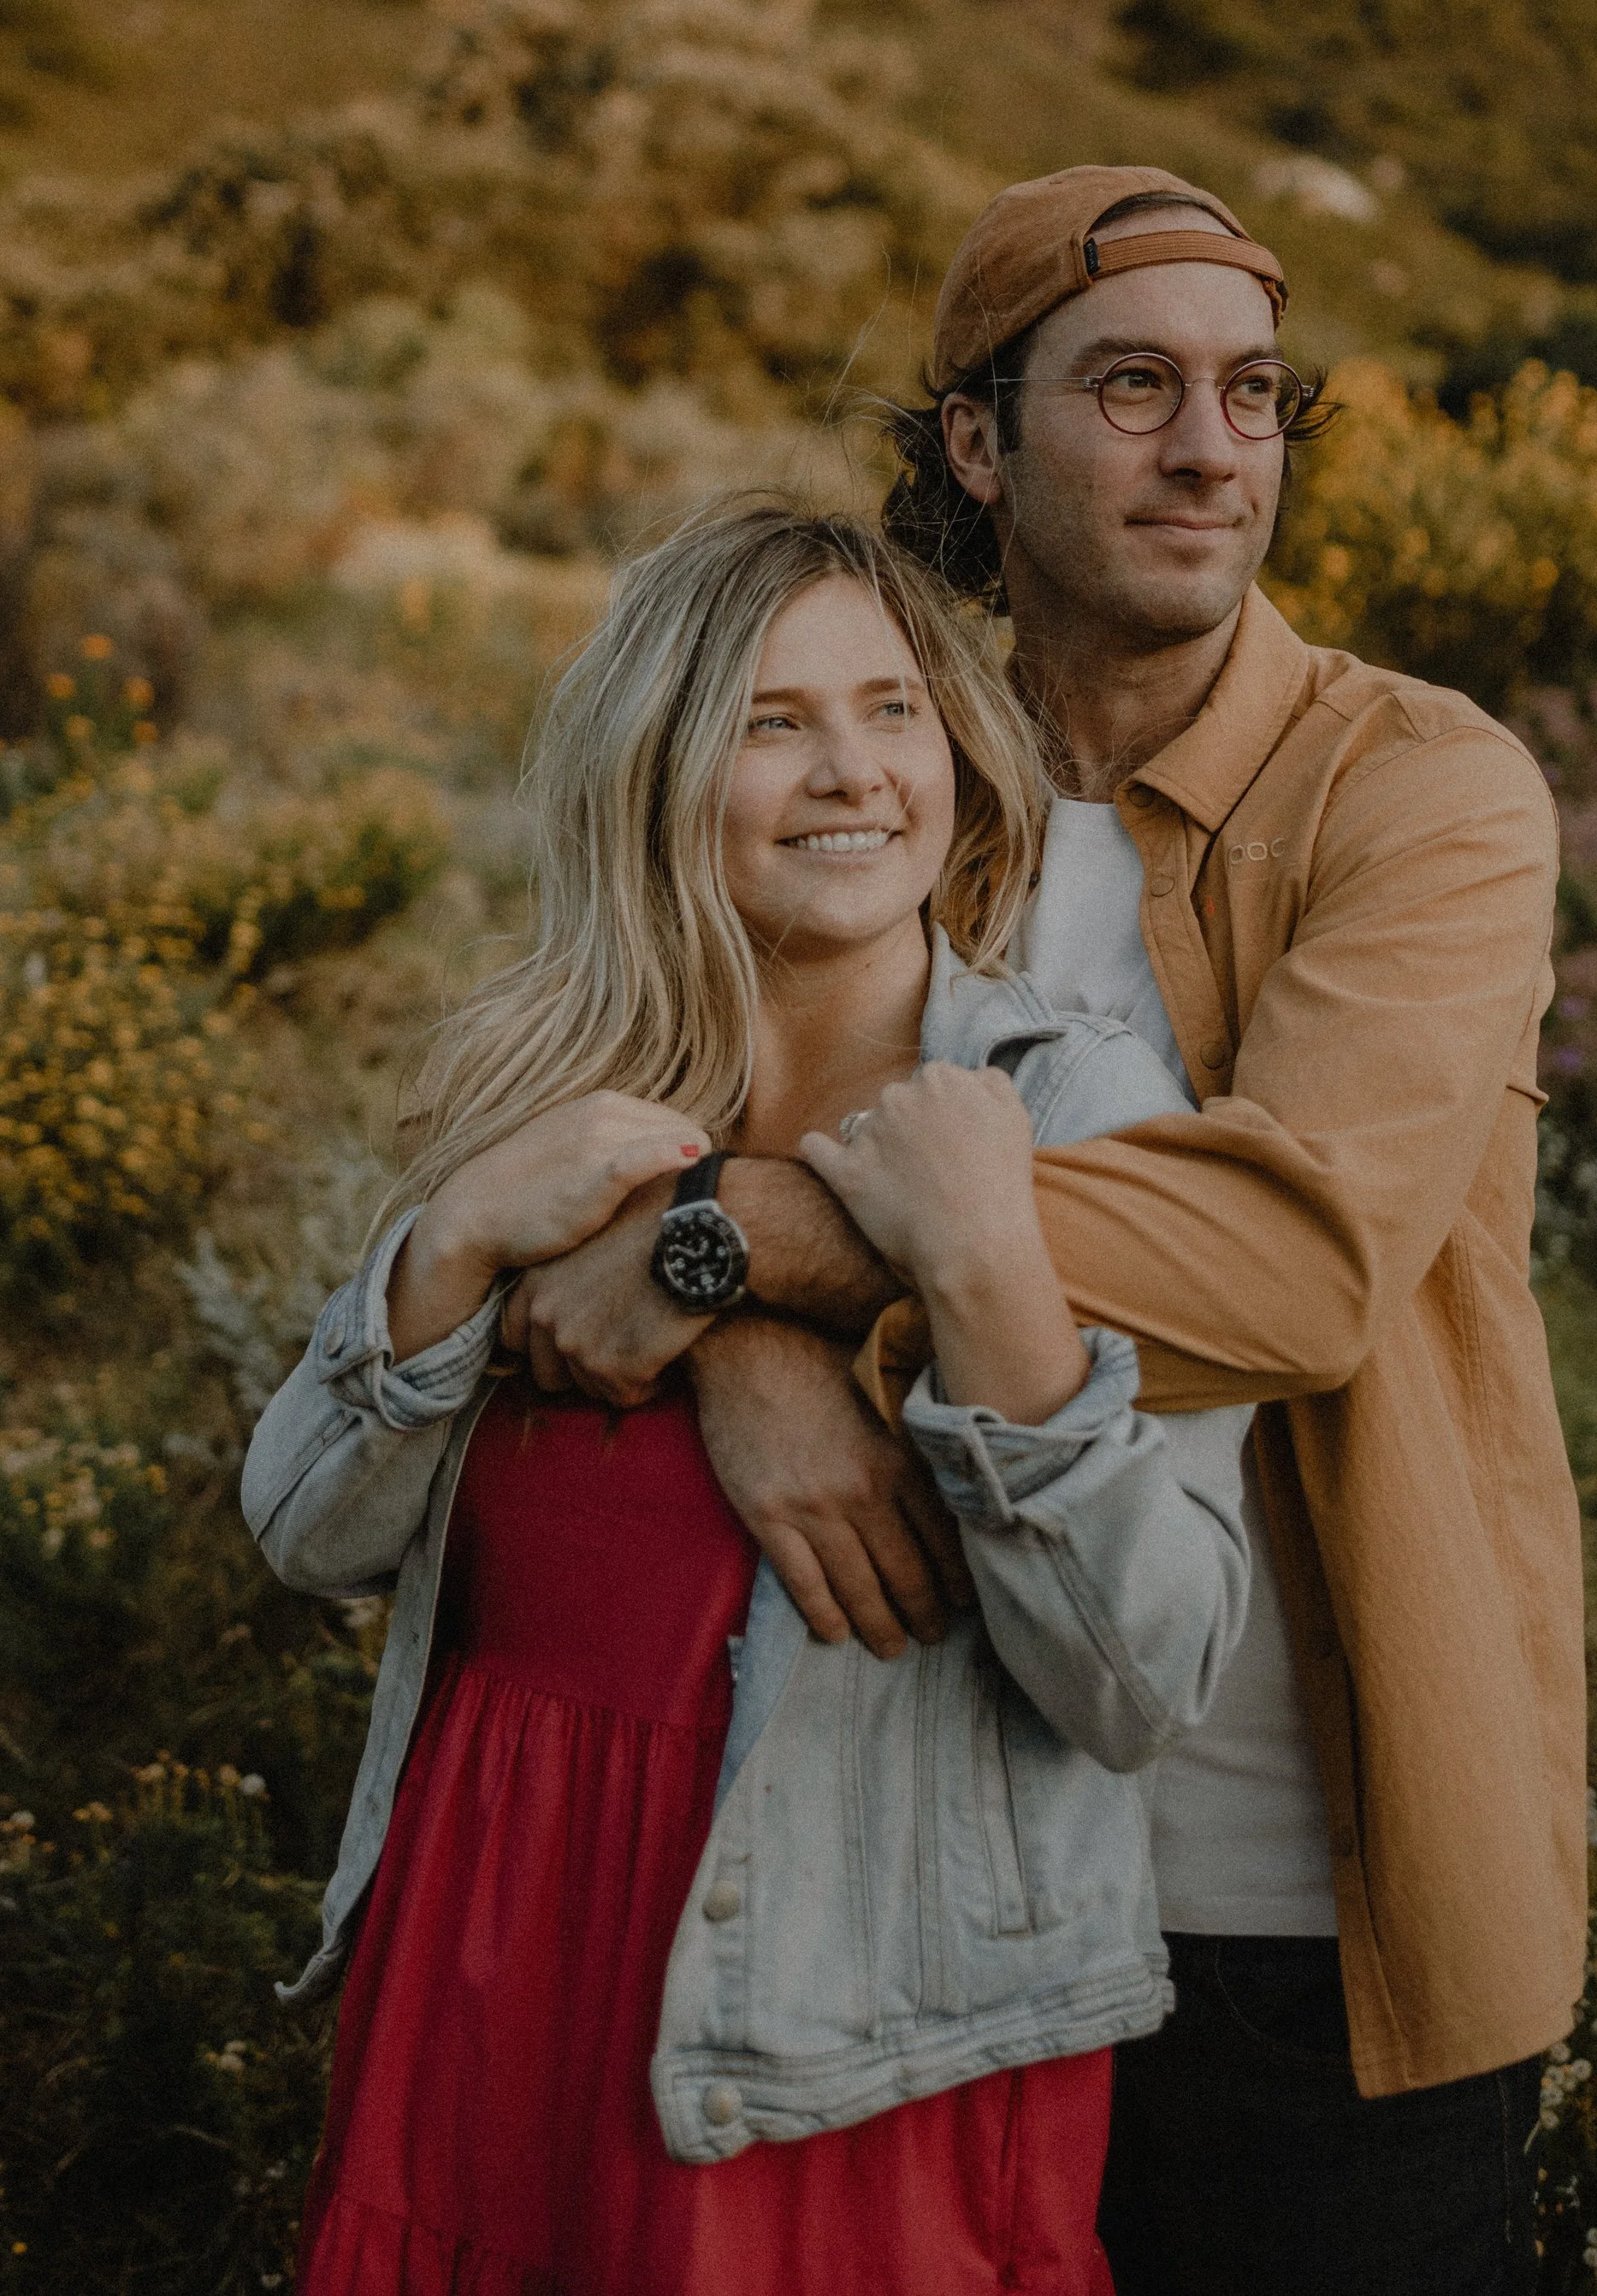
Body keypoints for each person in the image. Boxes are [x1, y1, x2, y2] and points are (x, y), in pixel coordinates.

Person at [488, 167, 1581, 2296]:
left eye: (1252, 394)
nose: (1207, 448)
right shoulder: (890, 772)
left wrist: (738, 1252)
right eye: (1132, 388)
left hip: (1300, 1912)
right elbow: (612, 1126)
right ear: (974, 442)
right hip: (909, 1883)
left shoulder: (1423, 793)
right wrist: (739, 1340)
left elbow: (1286, 1270)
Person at [244, 502, 1258, 2296]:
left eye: (889, 710)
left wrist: (983, 1273)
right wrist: (479, 1234)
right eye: (772, 721)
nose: (847, 772)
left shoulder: (1061, 1108)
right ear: (660, 759)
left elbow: (1138, 1674)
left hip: (856, 2019)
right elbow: (310, 1526)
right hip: (485, 1971)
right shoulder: (554, 1088)